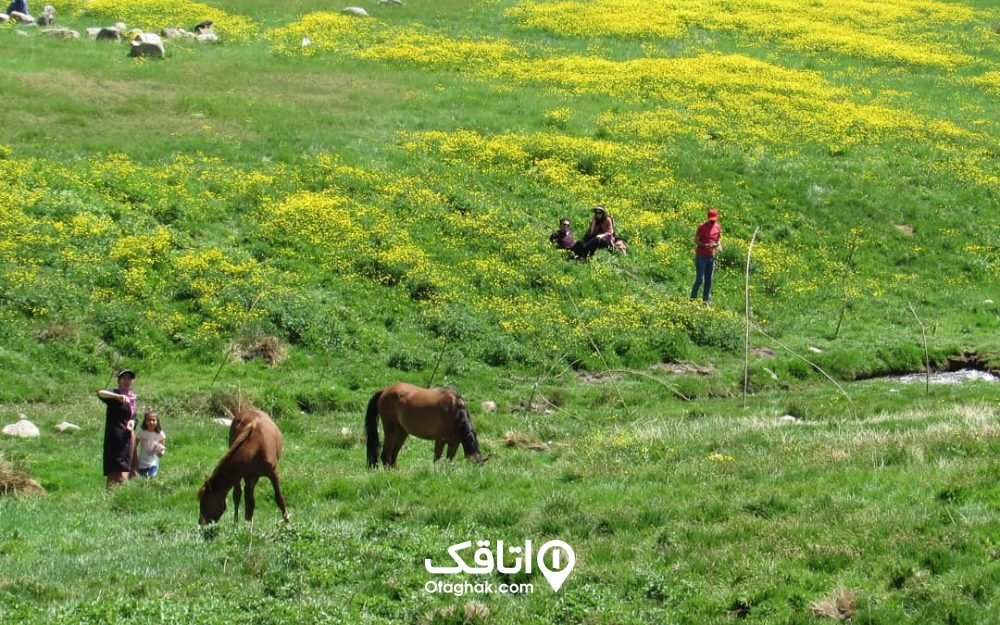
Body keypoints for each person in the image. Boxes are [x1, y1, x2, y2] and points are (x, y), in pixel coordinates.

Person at [97, 369, 138, 489]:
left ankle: (122, 495)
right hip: (115, 438)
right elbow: (100, 393)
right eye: (124, 378)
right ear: (119, 380)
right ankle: (111, 495)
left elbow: (134, 416)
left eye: (129, 378)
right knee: (115, 470)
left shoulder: (132, 398)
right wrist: (117, 396)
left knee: (127, 467)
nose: (127, 381)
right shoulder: (115, 394)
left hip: (127, 438)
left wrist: (132, 421)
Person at [690, 208, 722, 303]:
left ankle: (705, 301)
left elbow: (718, 239)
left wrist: (718, 245)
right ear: (708, 218)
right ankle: (692, 299)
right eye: (711, 220)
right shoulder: (702, 227)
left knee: (709, 280)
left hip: (711, 257)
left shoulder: (718, 227)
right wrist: (705, 245)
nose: (712, 221)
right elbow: (696, 240)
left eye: (714, 220)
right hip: (701, 256)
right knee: (700, 279)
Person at [136, 410, 166, 478]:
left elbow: (162, 448)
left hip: (153, 461)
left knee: (151, 476)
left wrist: (161, 453)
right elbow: (135, 445)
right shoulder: (142, 432)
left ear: (157, 421)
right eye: (148, 420)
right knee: (142, 477)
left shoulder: (160, 434)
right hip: (142, 460)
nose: (151, 422)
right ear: (145, 421)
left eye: (153, 420)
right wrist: (135, 457)